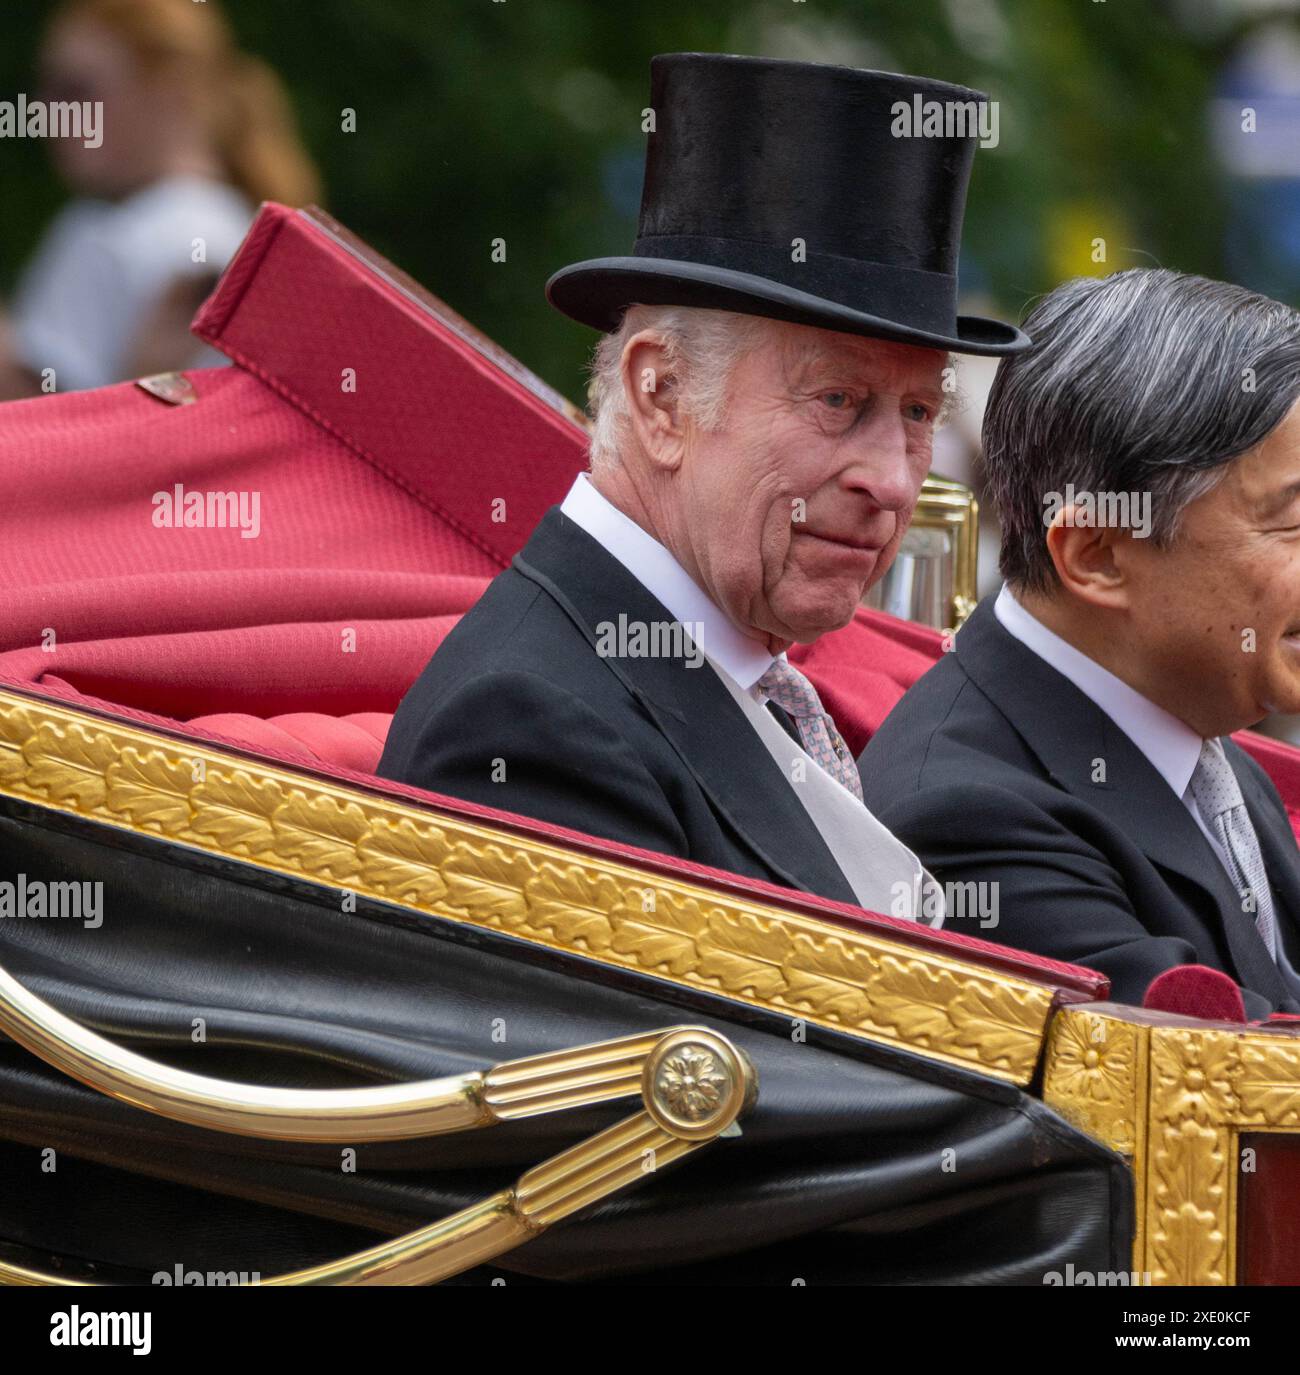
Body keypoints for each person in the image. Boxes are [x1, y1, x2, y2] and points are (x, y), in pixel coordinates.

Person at [380, 53, 1027, 918]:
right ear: (662, 394)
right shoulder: (533, 726)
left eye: (918, 412)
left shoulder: (721, 663)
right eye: (837, 399)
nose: (891, 479)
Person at [859, 268, 1300, 1015]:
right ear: (1097, 553)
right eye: (1290, 520)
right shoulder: (970, 817)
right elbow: (1219, 1095)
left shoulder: (1191, 729)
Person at [0, 0, 320, 400]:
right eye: (46, 90)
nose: (51, 112)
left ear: (170, 89)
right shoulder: (243, 229)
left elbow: (29, 428)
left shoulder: (107, 234)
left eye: (76, 89)